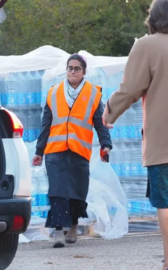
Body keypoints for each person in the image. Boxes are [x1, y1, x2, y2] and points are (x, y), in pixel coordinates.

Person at [102, 0, 168, 269]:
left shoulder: (146, 45)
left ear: (153, 17)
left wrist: (109, 112)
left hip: (163, 137)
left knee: (165, 199)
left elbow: (131, 87)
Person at [33, 53, 112, 248]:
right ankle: (58, 230)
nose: (73, 71)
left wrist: (106, 145)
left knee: (77, 192)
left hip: (79, 150)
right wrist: (39, 151)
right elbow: (45, 125)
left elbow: (100, 124)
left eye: (77, 68)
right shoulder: (53, 93)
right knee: (57, 191)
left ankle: (74, 225)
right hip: (55, 149)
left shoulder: (93, 94)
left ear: (84, 72)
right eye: (70, 68)